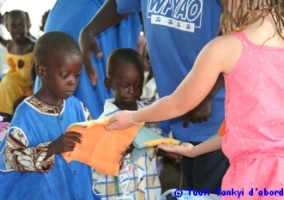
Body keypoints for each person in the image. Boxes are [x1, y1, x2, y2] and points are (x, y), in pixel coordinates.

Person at [106, 0, 284, 198]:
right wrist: (194, 151)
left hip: (251, 181)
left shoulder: (225, 48)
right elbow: (242, 131)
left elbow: (178, 103)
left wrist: (132, 117)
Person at [79, 0, 228, 193]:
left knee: (210, 194)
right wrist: (88, 30)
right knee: (193, 192)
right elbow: (120, 3)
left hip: (214, 119)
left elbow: (238, 34)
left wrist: (208, 92)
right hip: (179, 117)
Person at [0, 31, 100, 200]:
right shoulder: (26, 115)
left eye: (77, 74)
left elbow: (95, 140)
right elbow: (10, 159)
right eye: (65, 75)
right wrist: (51, 148)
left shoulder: (78, 107)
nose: (73, 81)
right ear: (42, 71)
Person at [33, 0, 142, 119]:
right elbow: (127, 65)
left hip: (65, 22)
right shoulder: (126, 13)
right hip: (95, 32)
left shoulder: (62, 8)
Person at [93, 48, 161, 199]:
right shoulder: (104, 123)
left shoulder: (149, 116)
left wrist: (165, 148)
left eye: (137, 85)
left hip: (148, 189)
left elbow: (156, 143)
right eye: (125, 86)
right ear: (109, 83)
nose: (132, 91)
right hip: (118, 192)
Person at [0, 10, 35, 115]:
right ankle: (3, 116)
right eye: (13, 26)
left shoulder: (34, 46)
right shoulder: (10, 46)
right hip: (13, 84)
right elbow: (13, 67)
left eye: (21, 26)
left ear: (28, 25)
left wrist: (33, 90)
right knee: (5, 83)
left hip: (29, 85)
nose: (17, 30)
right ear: (7, 27)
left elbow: (37, 72)